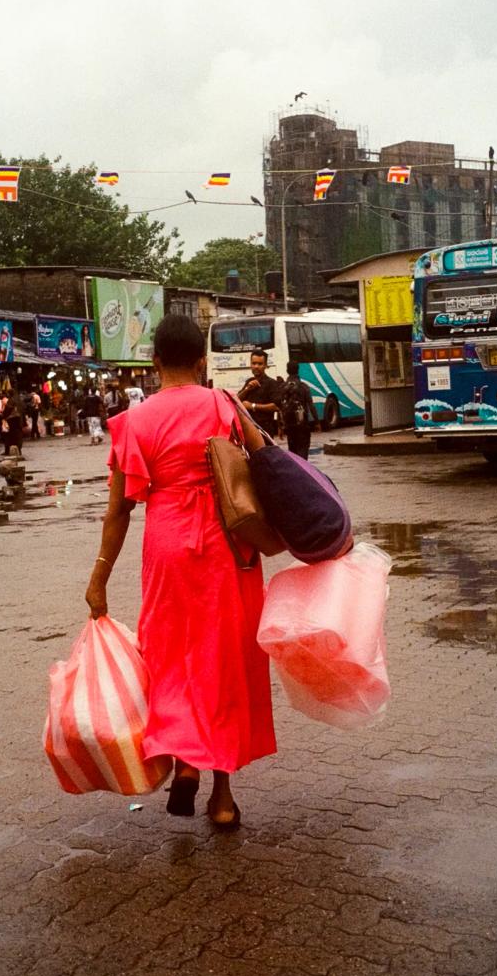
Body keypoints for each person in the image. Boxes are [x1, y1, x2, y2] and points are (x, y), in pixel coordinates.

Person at [84, 315, 276, 830]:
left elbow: (119, 510)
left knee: (172, 657)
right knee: (224, 660)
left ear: (153, 364)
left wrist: (99, 576)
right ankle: (223, 796)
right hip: (226, 545)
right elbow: (267, 464)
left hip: (165, 545)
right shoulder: (224, 405)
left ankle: (185, 760)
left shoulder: (135, 422)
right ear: (200, 362)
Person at [237, 348, 282, 437]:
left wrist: (253, 406)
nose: (256, 366)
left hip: (265, 431)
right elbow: (236, 401)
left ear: (265, 365)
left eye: (260, 364)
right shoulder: (249, 382)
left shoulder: (271, 383)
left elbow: (276, 406)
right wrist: (247, 389)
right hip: (249, 430)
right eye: (254, 363)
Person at [281, 361, 320, 459]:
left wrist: (280, 426)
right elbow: (311, 405)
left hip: (289, 427)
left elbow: (280, 407)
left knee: (293, 454)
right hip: (302, 426)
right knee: (303, 453)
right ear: (298, 370)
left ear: (287, 371)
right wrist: (317, 422)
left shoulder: (283, 387)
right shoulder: (303, 387)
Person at [1, 390, 23, 455]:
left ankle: (9, 450)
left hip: (12, 419)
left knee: (9, 435)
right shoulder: (18, 399)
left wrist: (3, 416)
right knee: (18, 435)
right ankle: (18, 449)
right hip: (19, 419)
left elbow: (8, 409)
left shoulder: (11, 400)